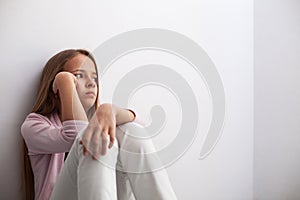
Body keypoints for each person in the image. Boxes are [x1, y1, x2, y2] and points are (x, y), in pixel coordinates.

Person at [21, 49, 177, 200]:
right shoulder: (34, 124)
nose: (91, 83)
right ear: (55, 86)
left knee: (130, 130)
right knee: (93, 137)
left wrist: (109, 110)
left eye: (94, 78)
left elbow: (141, 127)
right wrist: (65, 82)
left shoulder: (99, 121)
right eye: (79, 76)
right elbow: (75, 136)